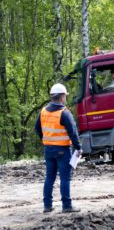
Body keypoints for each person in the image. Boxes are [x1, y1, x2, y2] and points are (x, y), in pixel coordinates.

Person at [35, 83, 82, 213]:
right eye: (65, 96)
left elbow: (37, 129)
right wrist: (79, 148)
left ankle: (47, 206)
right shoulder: (64, 113)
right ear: (62, 97)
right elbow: (73, 133)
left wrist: (46, 139)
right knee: (65, 178)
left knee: (49, 177)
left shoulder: (43, 111)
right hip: (63, 150)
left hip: (48, 149)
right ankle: (67, 206)